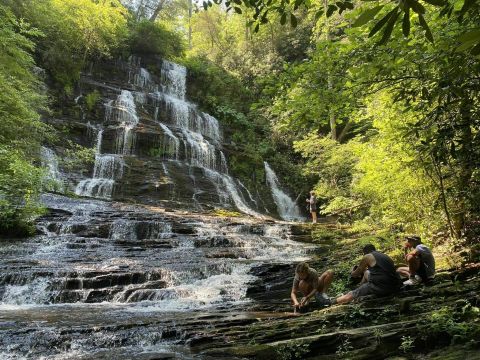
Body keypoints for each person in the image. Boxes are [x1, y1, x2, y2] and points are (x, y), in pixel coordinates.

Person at [332, 244, 402, 305]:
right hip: (395, 285)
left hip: (380, 286)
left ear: (365, 252)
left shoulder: (368, 256)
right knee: (366, 272)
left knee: (352, 294)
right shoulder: (384, 255)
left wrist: (352, 271)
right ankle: (360, 287)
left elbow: (355, 274)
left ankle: (331, 302)